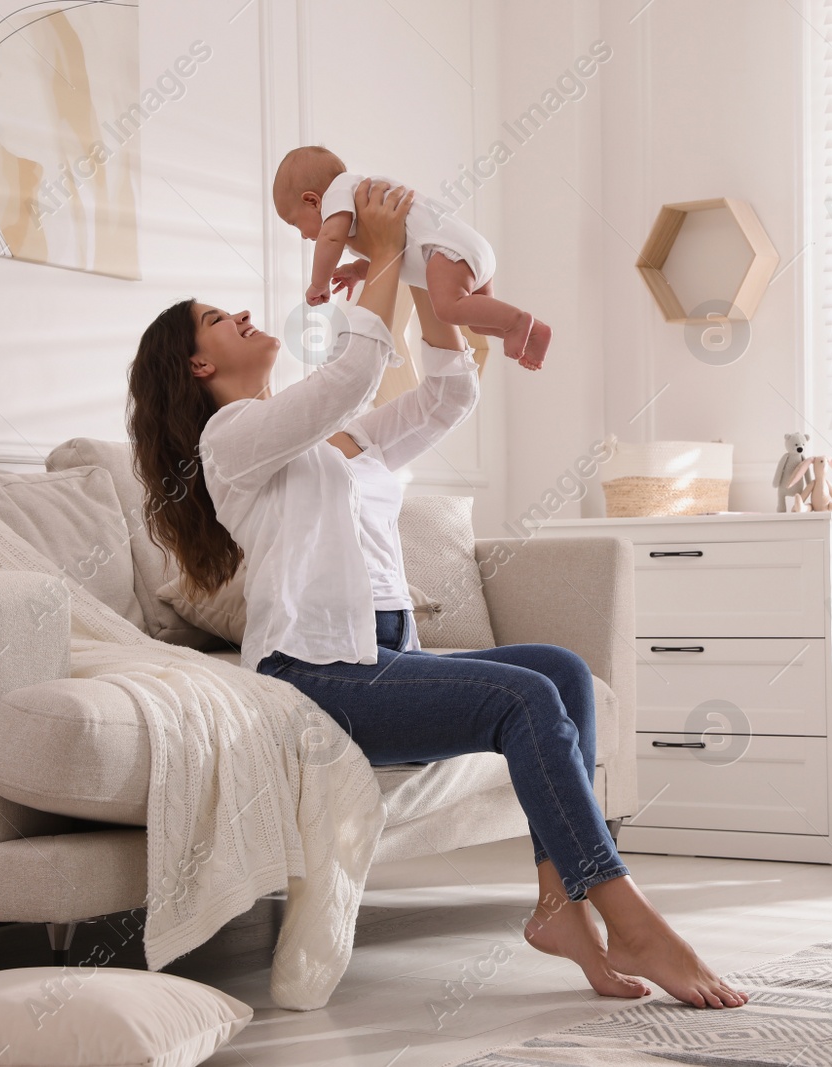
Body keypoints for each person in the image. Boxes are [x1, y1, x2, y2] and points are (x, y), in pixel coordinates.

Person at [126, 178, 745, 1009]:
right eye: (216, 320)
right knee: (523, 699)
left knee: (560, 670)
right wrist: (380, 252)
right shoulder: (231, 440)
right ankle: (626, 910)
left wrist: (420, 269)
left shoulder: (326, 444)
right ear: (200, 365)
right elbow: (350, 373)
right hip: (314, 678)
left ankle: (559, 905)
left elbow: (452, 394)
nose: (241, 315)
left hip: (383, 658)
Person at [272, 145, 550, 370]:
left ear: (312, 201)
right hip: (466, 252)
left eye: (295, 223)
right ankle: (533, 331)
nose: (302, 235)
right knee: (476, 320)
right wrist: (358, 270)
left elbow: (329, 239)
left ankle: (516, 321)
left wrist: (318, 284)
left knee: (447, 308)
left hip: (445, 253)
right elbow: (392, 255)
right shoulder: (358, 209)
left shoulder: (339, 192)